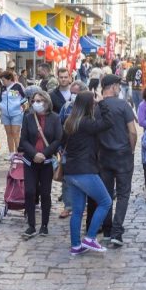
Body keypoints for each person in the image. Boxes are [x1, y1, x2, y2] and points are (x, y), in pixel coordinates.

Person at [62, 91, 114, 255]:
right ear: (89, 105)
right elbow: (108, 122)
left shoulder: (69, 122)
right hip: (85, 171)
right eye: (93, 103)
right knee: (106, 201)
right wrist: (102, 102)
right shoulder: (87, 123)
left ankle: (76, 246)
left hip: (70, 172)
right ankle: (90, 238)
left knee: (77, 210)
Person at [93, 74, 137, 247]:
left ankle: (108, 230)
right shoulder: (123, 105)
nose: (119, 88)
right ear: (112, 86)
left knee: (106, 194)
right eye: (118, 86)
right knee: (124, 194)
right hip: (123, 154)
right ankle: (117, 233)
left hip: (104, 155)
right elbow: (132, 131)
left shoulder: (97, 108)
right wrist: (132, 148)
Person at [19, 90, 62, 238]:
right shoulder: (28, 117)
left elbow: (58, 139)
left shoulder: (55, 118)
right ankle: (31, 225)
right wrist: (34, 154)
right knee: (30, 192)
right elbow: (23, 139)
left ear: (47, 102)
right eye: (34, 101)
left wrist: (44, 154)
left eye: (40, 100)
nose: (36, 103)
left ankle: (44, 224)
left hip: (47, 161)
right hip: (30, 161)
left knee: (45, 193)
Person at [58, 80, 87, 219]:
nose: (73, 95)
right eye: (72, 93)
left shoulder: (89, 108)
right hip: (68, 149)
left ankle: (83, 205)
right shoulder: (66, 107)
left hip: (85, 150)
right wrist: (59, 147)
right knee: (66, 178)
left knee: (85, 177)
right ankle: (68, 206)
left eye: (76, 93)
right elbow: (59, 127)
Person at [0, 70, 27, 153]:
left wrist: (19, 104)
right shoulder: (2, 87)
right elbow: (0, 99)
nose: (2, 82)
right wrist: (1, 106)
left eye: (3, 80)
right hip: (5, 114)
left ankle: (18, 154)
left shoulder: (18, 86)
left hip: (16, 114)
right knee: (9, 134)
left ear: (10, 79)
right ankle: (11, 154)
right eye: (1, 80)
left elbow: (25, 98)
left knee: (15, 133)